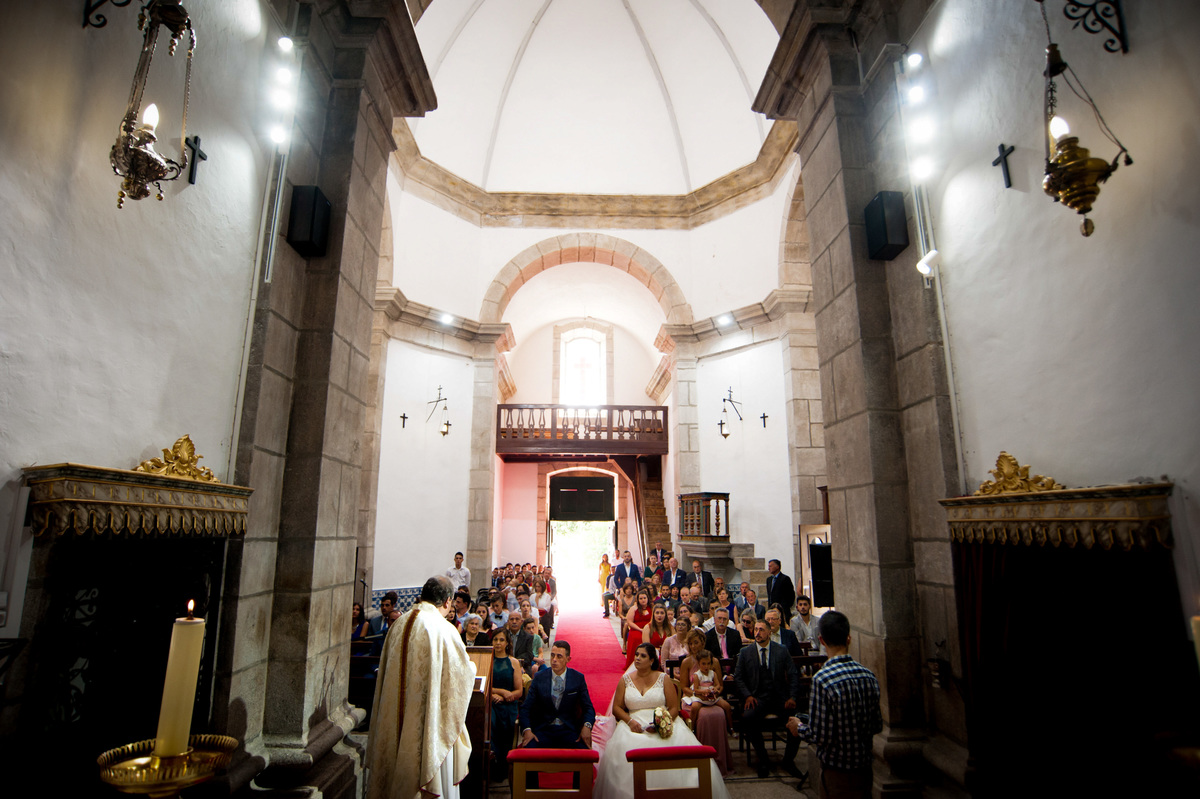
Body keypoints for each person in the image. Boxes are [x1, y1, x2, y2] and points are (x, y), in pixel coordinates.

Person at [365, 576, 474, 799]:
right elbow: (462, 674)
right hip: (427, 724)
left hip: (394, 720)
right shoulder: (443, 629)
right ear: (447, 602)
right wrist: (472, 667)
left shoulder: (399, 624)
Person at [594, 643, 732, 799]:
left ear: (652, 660)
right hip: (633, 724)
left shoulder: (663, 678)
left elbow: (674, 707)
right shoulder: (625, 680)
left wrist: (662, 722)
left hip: (663, 721)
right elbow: (617, 708)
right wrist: (629, 721)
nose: (638, 658)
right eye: (637, 655)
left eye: (643, 656)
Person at [787, 611, 882, 798]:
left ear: (821, 640)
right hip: (865, 769)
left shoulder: (823, 679)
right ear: (849, 639)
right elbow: (877, 725)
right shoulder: (868, 675)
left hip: (837, 771)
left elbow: (820, 735)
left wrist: (799, 728)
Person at [734, 619, 802, 779]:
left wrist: (792, 697)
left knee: (797, 719)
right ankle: (763, 758)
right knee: (748, 718)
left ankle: (788, 760)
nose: (757, 633)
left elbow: (793, 674)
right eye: (756, 629)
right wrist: (748, 695)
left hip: (779, 698)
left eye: (761, 630)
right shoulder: (746, 652)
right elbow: (738, 678)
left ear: (769, 632)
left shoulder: (781, 650)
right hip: (758, 698)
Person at [519, 641, 596, 749]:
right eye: (552, 655)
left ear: (568, 659)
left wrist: (587, 726)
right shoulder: (539, 678)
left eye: (559, 656)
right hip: (543, 730)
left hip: (569, 730)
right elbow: (525, 708)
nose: (554, 660)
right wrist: (527, 730)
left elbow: (588, 708)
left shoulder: (577, 678)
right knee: (528, 750)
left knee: (584, 751)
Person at [488, 627, 524, 777]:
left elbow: (518, 691)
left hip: (508, 704)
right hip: (491, 703)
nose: (498, 643)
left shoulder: (513, 662)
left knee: (507, 727)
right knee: (491, 722)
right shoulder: (487, 660)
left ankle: (504, 765)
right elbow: (483, 685)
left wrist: (504, 697)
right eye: (495, 640)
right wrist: (499, 692)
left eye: (501, 640)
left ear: (507, 643)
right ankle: (492, 763)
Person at [691, 649, 734, 733]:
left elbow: (718, 684)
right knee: (694, 707)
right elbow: (696, 689)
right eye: (703, 664)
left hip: (711, 694)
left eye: (708, 663)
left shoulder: (713, 673)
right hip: (701, 696)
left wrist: (715, 688)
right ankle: (692, 728)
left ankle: (730, 727)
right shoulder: (697, 675)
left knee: (727, 706)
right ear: (699, 664)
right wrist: (703, 692)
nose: (706, 666)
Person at [624, 588, 653, 666]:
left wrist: (647, 628)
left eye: (644, 598)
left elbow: (652, 620)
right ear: (638, 599)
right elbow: (629, 621)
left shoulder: (652, 608)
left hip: (649, 628)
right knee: (636, 638)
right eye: (641, 598)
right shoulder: (633, 608)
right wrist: (640, 629)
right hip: (636, 629)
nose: (643, 600)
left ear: (647, 598)